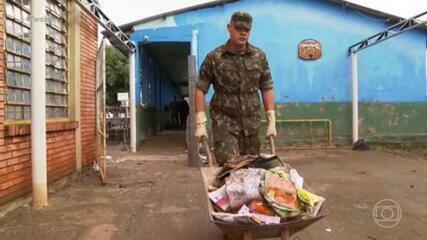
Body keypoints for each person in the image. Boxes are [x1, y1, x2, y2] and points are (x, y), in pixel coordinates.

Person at [194, 11, 277, 165]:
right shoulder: (215, 57)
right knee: (230, 166)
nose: (243, 33)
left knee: (251, 167)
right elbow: (200, 88)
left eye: (246, 30)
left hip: (251, 123)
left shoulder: (259, 56)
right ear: (229, 28)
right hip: (224, 122)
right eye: (239, 28)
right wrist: (200, 122)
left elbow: (266, 86)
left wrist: (271, 117)